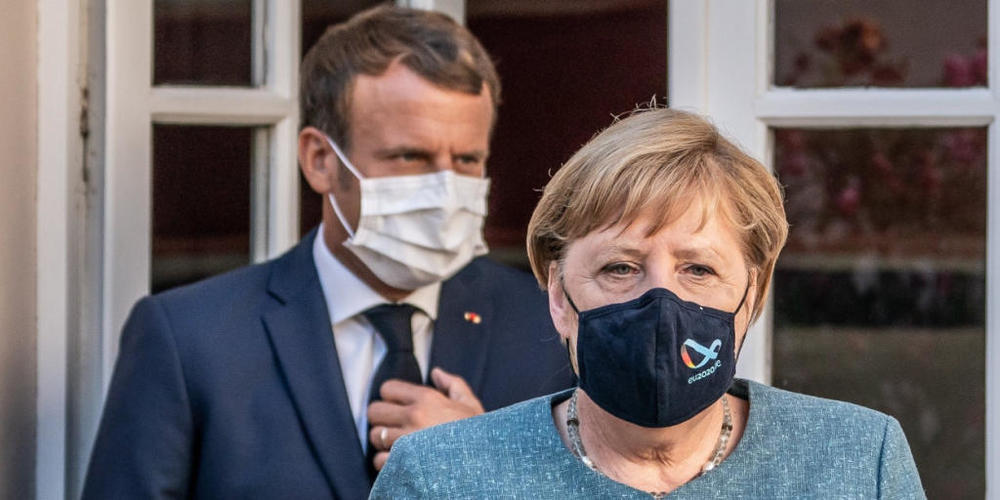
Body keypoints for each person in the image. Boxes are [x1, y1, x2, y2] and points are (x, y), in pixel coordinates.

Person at [82, 6, 572, 499]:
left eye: (466, 159)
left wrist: (485, 463)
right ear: (320, 161)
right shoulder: (190, 340)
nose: (444, 186)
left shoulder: (549, 330)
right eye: (410, 156)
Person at [370, 108, 926, 499]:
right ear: (559, 298)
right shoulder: (440, 476)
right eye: (620, 267)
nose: (661, 301)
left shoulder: (856, 462)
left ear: (751, 296)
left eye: (699, 269)